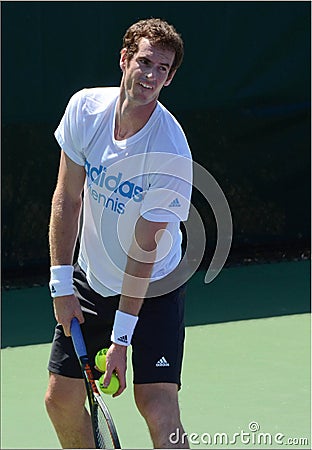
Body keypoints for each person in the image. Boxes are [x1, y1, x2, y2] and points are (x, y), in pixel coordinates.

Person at [44, 17, 193, 449]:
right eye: (144, 62)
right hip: (91, 278)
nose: (150, 75)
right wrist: (61, 285)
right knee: (60, 399)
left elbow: (144, 250)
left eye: (162, 69)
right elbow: (67, 199)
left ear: (170, 78)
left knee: (156, 402)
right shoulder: (85, 110)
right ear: (125, 59)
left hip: (154, 285)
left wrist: (120, 340)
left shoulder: (169, 151)